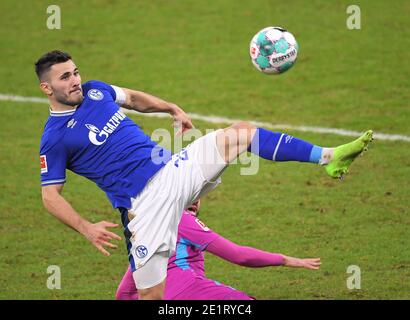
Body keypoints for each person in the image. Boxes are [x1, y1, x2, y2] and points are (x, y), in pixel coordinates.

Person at [36, 50, 372, 300]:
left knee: (241, 134)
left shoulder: (96, 91)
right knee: (152, 295)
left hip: (172, 171)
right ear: (47, 88)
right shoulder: (54, 139)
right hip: (144, 206)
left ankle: (328, 157)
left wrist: (171, 108)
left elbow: (134, 98)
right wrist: (86, 228)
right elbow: (50, 196)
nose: (76, 80)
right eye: (65, 77)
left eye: (75, 72)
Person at [116, 199, 321, 300]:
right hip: (191, 290)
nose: (196, 199)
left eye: (198, 194)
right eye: (190, 193)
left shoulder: (147, 231)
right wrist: (284, 259)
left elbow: (123, 294)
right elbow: (240, 256)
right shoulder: (183, 219)